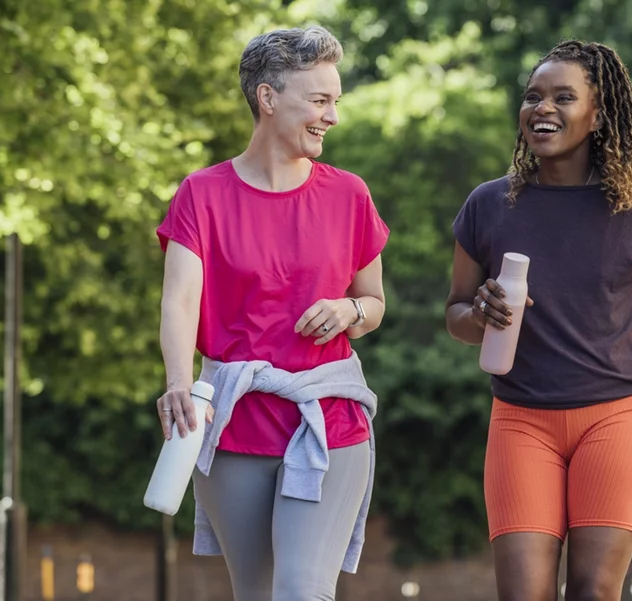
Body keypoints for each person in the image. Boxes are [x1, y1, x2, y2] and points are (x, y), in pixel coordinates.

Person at [444, 39, 632, 601]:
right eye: (533, 97)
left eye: (562, 97)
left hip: (617, 419)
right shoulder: (487, 205)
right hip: (521, 420)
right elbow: (455, 314)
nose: (541, 108)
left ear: (598, 116)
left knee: (593, 592)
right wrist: (478, 313)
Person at [154, 25, 389, 601]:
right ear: (267, 98)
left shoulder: (349, 194)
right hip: (232, 424)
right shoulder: (201, 195)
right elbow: (180, 299)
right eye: (319, 100)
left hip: (328, 421)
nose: (332, 116)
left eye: (336, 101)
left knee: (302, 591)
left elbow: (374, 304)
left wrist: (349, 309)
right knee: (258, 594)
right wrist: (179, 384)